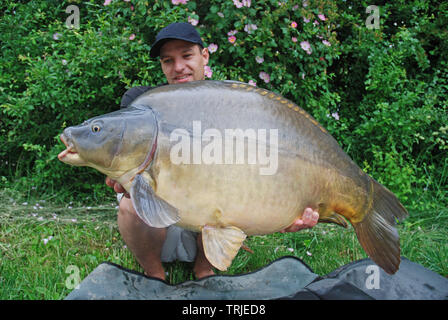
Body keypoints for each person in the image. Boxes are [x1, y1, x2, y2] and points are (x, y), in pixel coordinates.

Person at [106, 22, 319, 281]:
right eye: (168, 61)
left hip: (210, 199)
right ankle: (154, 274)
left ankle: (204, 268)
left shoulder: (229, 102)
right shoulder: (141, 102)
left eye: (187, 56)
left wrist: (285, 212)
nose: (179, 67)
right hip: (161, 202)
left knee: (230, 187)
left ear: (204, 56)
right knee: (132, 204)